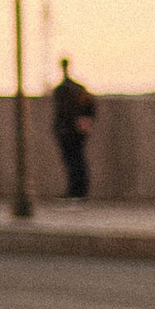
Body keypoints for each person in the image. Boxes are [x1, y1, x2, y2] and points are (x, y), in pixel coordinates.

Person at [50, 62, 96, 203]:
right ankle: (78, 191)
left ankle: (77, 191)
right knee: (76, 161)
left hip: (69, 132)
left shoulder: (64, 90)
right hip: (72, 131)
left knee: (74, 162)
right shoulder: (76, 89)